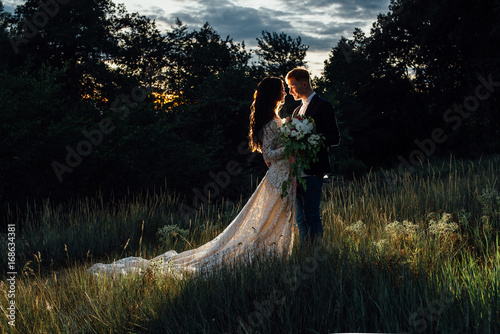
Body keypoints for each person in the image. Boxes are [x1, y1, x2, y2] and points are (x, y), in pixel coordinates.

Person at [88, 77, 295, 276]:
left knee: (275, 219)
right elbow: (268, 155)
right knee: (266, 220)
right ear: (273, 93)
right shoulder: (270, 122)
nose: (285, 92)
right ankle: (265, 255)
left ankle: (276, 255)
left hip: (283, 175)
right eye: (282, 89)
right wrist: (290, 148)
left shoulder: (275, 119)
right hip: (278, 177)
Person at [286, 68, 340, 247]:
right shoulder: (296, 111)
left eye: (292, 86)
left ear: (304, 83)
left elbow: (334, 137)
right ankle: (304, 254)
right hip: (296, 173)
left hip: (313, 171)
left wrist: (310, 138)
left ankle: (315, 256)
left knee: (312, 216)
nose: (290, 91)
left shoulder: (323, 105)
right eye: (288, 87)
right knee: (300, 220)